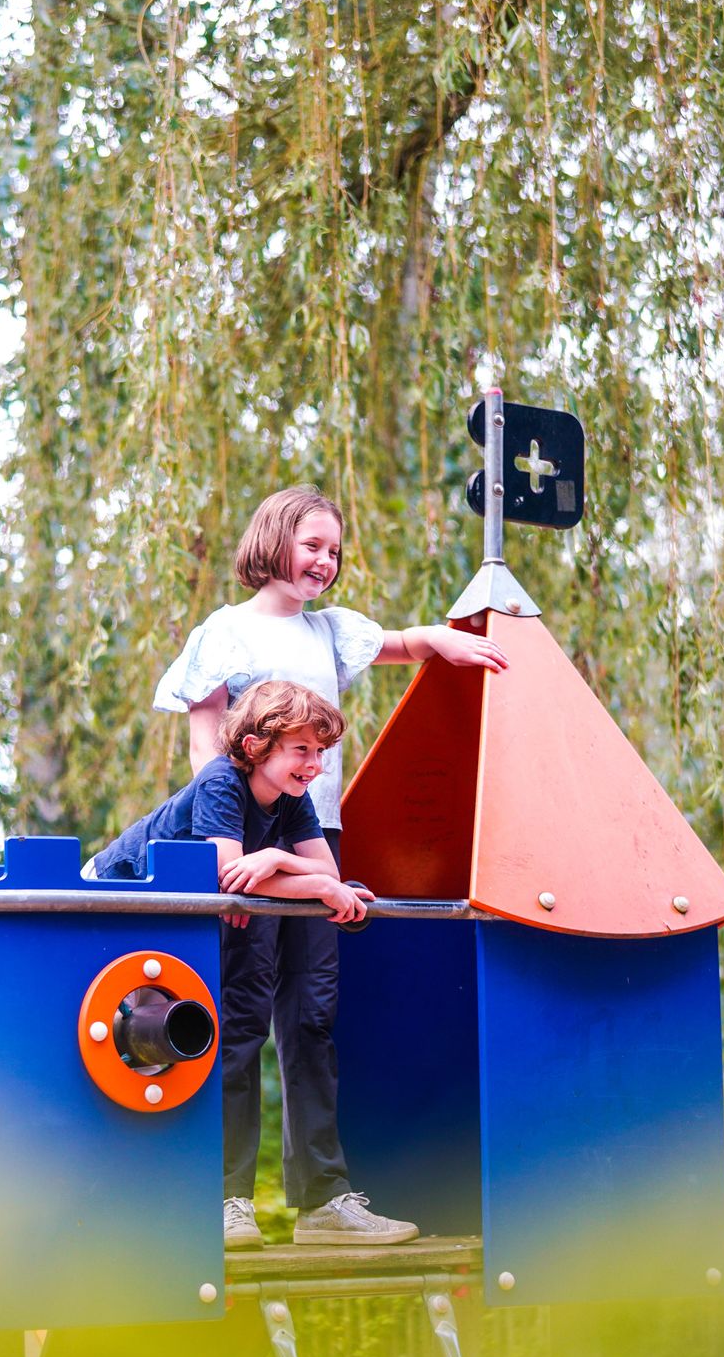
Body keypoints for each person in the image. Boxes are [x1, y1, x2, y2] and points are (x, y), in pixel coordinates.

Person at [149, 487, 506, 1247]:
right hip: (241, 849)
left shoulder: (331, 632)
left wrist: (444, 642)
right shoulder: (226, 634)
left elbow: (400, 643)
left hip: (317, 837)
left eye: (335, 551)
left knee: (313, 1018)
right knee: (239, 1016)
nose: (325, 561)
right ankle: (225, 1200)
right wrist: (231, 857)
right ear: (274, 541)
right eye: (312, 544)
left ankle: (323, 1203)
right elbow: (205, 745)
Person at [86, 679, 411, 1249]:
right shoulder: (221, 780)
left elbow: (325, 879)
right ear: (258, 746)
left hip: (185, 920)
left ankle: (265, 1201)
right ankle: (217, 1199)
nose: (314, 765)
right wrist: (279, 872)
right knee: (202, 1038)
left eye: (320, 752)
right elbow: (228, 875)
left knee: (244, 1029)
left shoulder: (292, 797)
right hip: (112, 902)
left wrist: (275, 858)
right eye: (301, 750)